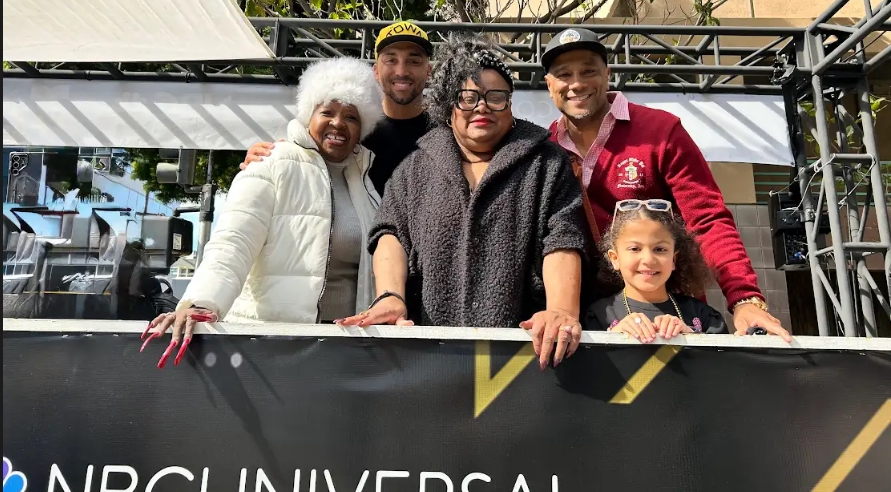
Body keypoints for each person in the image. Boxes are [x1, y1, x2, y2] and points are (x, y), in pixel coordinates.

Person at [336, 36, 591, 369]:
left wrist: (561, 310)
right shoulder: (415, 168)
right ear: (448, 106)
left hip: (523, 358)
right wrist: (390, 296)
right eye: (467, 98)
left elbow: (563, 239)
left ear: (510, 104)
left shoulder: (547, 163)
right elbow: (390, 234)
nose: (482, 107)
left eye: (495, 97)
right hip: (427, 355)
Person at [541, 27, 791, 341]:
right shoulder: (543, 148)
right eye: (563, 74)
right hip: (588, 322)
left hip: (672, 318)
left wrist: (744, 299)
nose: (576, 83)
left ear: (607, 74)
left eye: (588, 70)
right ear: (550, 85)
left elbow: (707, 219)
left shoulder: (660, 131)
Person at [140, 57, 384, 368]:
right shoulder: (272, 163)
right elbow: (232, 243)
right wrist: (200, 302)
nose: (338, 123)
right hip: (274, 349)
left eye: (351, 116)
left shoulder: (366, 185)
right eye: (327, 112)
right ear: (309, 114)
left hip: (346, 353)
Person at [241, 21, 434, 196]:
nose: (401, 71)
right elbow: (302, 158)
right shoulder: (353, 129)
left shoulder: (447, 133)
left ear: (428, 70)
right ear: (375, 70)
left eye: (414, 61)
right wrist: (265, 160)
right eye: (391, 60)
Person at [585, 199, 729, 340]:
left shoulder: (704, 316)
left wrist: (691, 338)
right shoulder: (598, 316)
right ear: (615, 258)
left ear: (674, 259)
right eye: (635, 249)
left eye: (660, 249)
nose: (648, 259)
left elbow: (724, 361)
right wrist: (612, 339)